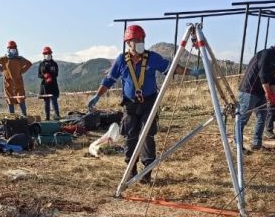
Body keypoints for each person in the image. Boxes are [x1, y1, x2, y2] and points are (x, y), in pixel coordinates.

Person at [87, 25, 201, 184]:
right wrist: (97, 96)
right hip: (130, 105)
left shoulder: (152, 57)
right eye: (137, 40)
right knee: (130, 136)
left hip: (149, 102)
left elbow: (172, 68)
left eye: (142, 39)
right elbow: (109, 80)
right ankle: (131, 170)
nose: (140, 42)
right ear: (128, 42)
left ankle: (147, 171)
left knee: (148, 136)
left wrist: (190, 72)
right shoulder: (122, 60)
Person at [237, 34, 275, 150]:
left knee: (262, 117)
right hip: (249, 91)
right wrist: (268, 93)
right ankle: (237, 146)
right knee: (242, 119)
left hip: (260, 92)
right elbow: (262, 75)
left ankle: (257, 144)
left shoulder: (273, 59)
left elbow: (271, 79)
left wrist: (274, 96)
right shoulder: (266, 54)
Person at [0, 41, 32, 116]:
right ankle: (12, 118)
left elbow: (29, 64)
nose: (13, 50)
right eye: (11, 48)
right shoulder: (4, 59)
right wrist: (2, 69)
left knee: (21, 99)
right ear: (8, 49)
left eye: (14, 48)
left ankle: (24, 116)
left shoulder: (19, 59)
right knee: (10, 100)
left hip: (18, 83)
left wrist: (21, 71)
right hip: (8, 83)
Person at [38, 46, 60, 120]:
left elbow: (56, 74)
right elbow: (39, 75)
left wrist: (50, 76)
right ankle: (47, 117)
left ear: (51, 54)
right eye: (46, 53)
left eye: (49, 53)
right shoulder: (41, 64)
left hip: (53, 85)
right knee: (46, 102)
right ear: (44, 55)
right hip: (45, 86)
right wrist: (44, 76)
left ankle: (57, 115)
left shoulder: (54, 64)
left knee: (54, 101)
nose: (48, 55)